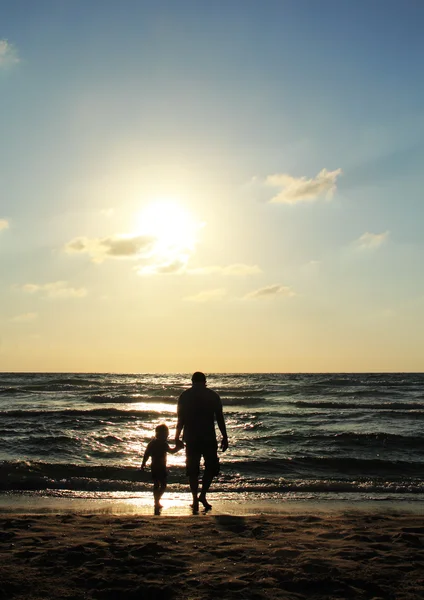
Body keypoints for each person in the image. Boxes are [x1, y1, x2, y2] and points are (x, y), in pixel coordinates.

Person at [175, 372, 228, 512]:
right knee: (211, 467)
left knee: (192, 470)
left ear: (192, 381)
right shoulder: (213, 395)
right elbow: (220, 418)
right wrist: (225, 437)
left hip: (191, 438)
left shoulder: (185, 396)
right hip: (208, 437)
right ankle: (202, 495)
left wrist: (177, 437)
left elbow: (180, 419)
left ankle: (195, 499)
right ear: (205, 381)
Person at [141, 423, 183, 514]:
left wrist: (143, 463)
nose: (166, 436)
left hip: (155, 467)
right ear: (158, 434)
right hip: (159, 467)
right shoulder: (162, 444)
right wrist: (178, 448)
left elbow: (146, 454)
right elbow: (171, 452)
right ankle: (157, 500)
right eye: (165, 434)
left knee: (157, 485)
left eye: (166, 434)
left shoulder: (153, 443)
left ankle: (157, 501)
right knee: (162, 485)